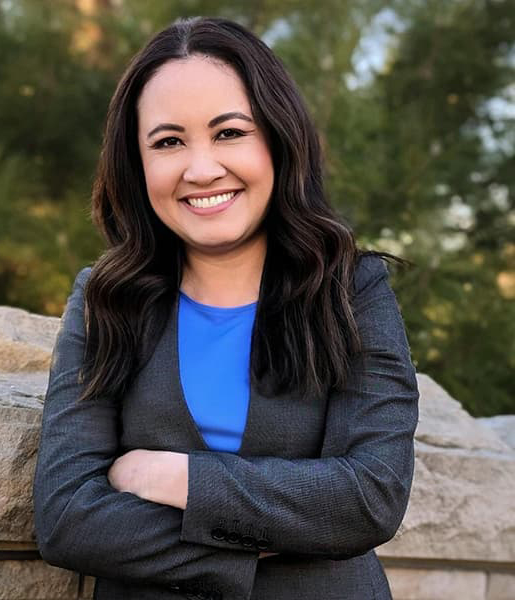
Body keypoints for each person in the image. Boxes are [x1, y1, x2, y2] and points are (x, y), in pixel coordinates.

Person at [33, 16, 419, 600]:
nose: (201, 168)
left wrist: (174, 477)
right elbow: (67, 519)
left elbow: (371, 497)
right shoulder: (107, 300)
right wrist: (273, 537)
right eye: (168, 142)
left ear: (278, 138)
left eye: (230, 132)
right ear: (137, 167)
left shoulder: (351, 289)